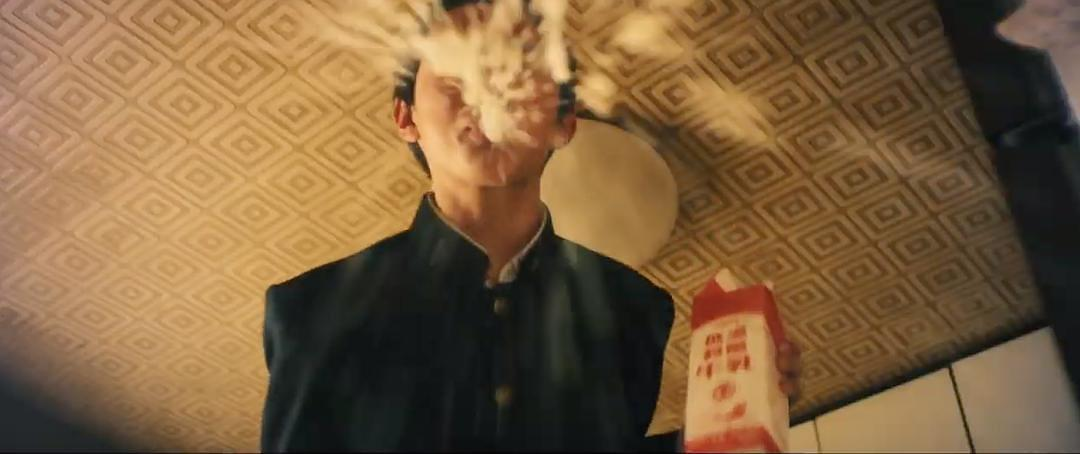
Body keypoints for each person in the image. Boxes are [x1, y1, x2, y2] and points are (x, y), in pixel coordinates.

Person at [260, 0, 801, 451]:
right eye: (456, 69)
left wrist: (728, 424)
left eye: (520, 69)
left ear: (564, 122)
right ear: (407, 117)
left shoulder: (634, 312)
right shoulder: (313, 312)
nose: (489, 91)